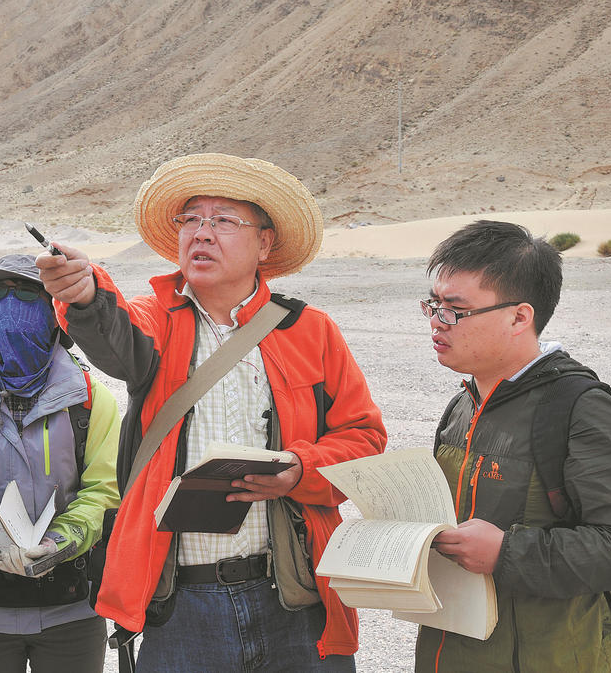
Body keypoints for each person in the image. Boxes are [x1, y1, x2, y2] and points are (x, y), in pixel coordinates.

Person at [36, 153, 387, 670]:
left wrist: (300, 470)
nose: (201, 233)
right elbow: (115, 338)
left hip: (294, 596)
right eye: (191, 219)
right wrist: (86, 293)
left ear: (264, 243)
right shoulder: (156, 319)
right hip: (183, 608)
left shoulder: (310, 331)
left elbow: (365, 439)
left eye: (223, 220)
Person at [419, 220, 611, 671]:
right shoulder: (463, 404)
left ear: (519, 317)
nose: (437, 320)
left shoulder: (581, 410)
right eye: (433, 304)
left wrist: (505, 553)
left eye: (455, 309)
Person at [0, 254, 121, 672]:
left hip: (73, 611)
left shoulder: (90, 399)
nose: (10, 306)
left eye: (27, 294)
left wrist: (58, 543)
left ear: (53, 313)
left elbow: (105, 491)